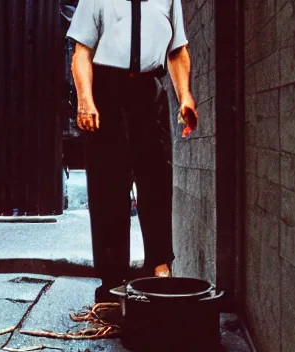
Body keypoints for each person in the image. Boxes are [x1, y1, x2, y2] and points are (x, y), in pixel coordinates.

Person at [67, 0, 198, 303]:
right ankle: (112, 280)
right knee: (108, 187)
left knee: (156, 181)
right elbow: (82, 53)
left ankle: (159, 266)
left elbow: (177, 51)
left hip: (148, 90)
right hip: (106, 91)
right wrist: (86, 100)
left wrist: (185, 96)